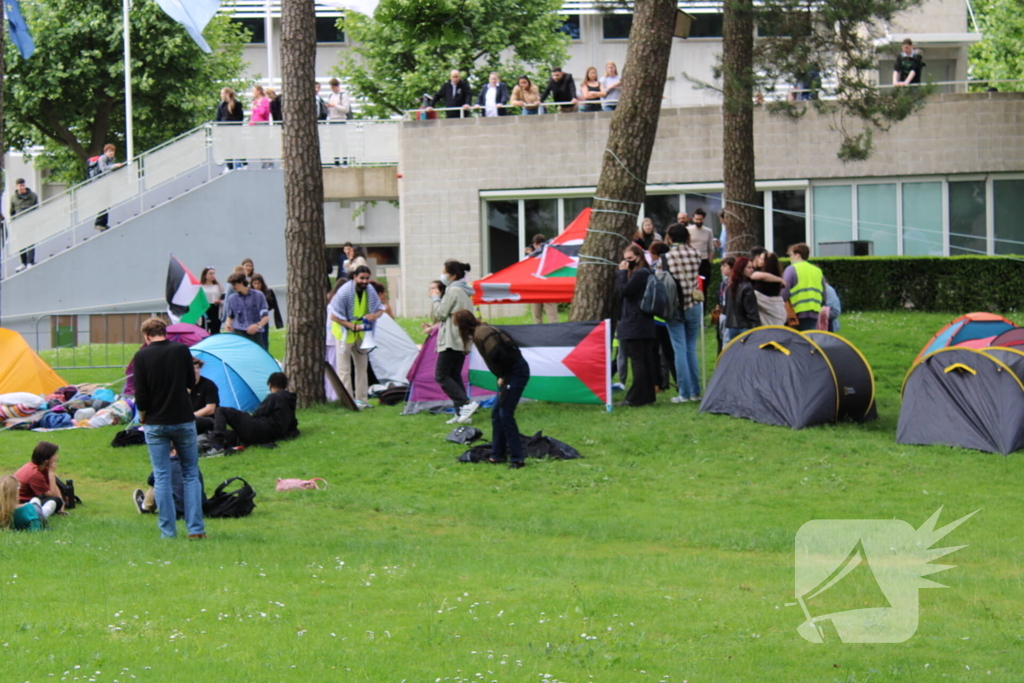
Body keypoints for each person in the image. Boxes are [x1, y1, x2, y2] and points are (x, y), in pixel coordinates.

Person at [132, 317, 206, 539]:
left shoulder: (141, 356)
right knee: (190, 474)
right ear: (166, 331)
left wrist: (143, 417)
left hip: (155, 421)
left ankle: (168, 531)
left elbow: (141, 395)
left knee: (162, 476)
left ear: (146, 336)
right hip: (183, 418)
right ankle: (196, 529)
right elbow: (191, 383)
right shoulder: (181, 350)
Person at [453, 310, 530, 469]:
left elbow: (500, 353)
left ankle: (517, 459)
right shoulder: (482, 329)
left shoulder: (482, 333)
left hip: (514, 374)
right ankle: (497, 454)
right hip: (512, 372)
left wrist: (503, 375)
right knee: (496, 414)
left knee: (505, 414)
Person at [328, 265, 385, 408]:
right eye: (362, 278)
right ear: (355, 277)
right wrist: (350, 326)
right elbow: (334, 316)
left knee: (362, 367)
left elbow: (380, 309)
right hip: (344, 333)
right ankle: (348, 402)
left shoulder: (370, 290)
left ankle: (362, 400)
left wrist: (374, 315)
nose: (365, 281)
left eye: (367, 278)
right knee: (344, 370)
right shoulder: (344, 292)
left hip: (361, 333)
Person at [431, 260, 478, 424]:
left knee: (441, 375)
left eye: (444, 272)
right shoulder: (464, 291)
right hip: (462, 339)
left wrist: (436, 299)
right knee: (454, 375)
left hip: (451, 339)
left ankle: (466, 403)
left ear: (453, 275)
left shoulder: (453, 290)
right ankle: (461, 414)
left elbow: (440, 314)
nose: (442, 275)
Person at [207, 372, 299, 452]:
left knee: (222, 410)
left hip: (261, 430)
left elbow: (257, 414)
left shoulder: (274, 397)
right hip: (270, 434)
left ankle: (216, 444)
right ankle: (215, 440)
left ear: (271, 385)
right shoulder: (290, 399)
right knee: (230, 434)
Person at [663, 223, 703, 403]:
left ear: (670, 238)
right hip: (694, 304)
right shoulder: (696, 254)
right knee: (690, 348)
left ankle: (684, 393)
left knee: (679, 349)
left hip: (675, 307)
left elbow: (659, 280)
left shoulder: (667, 258)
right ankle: (695, 391)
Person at [616, 244, 657, 407]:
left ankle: (636, 397)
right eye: (625, 259)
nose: (627, 262)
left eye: (630, 259)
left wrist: (621, 273)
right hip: (644, 321)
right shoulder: (647, 272)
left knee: (638, 361)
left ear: (639, 257)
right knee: (646, 360)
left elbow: (624, 290)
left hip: (635, 322)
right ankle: (647, 395)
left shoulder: (639, 274)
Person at [132, 449, 207, 517]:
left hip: (175, 511)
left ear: (174, 452)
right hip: (198, 510)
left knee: (157, 484)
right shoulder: (193, 466)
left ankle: (146, 506)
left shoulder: (164, 466)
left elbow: (150, 481)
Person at [647, 242, 676, 394]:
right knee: (670, 353)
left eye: (652, 254)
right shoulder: (674, 266)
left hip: (658, 318)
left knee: (656, 353)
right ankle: (678, 382)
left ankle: (658, 384)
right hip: (670, 317)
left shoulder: (655, 269)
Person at [783, 243, 827, 331]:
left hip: (796, 312)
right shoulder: (817, 271)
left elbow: (784, 291)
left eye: (791, 255)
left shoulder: (791, 269)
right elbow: (824, 294)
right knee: (809, 338)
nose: (790, 258)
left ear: (798, 255)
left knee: (796, 339)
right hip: (815, 311)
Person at [13, 441, 66, 516]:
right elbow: (52, 495)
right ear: (46, 460)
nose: (56, 457)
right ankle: (41, 514)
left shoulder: (41, 468)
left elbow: (53, 486)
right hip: (22, 502)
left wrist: (62, 504)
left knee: (58, 500)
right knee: (55, 501)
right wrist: (51, 473)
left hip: (32, 497)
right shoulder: (34, 474)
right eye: (54, 455)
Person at [224, 271, 270, 349]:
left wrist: (257, 326)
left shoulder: (259, 296)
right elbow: (230, 316)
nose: (233, 287)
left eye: (234, 284)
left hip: (255, 334)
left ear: (241, 282)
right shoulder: (232, 298)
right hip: (239, 333)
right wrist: (228, 323)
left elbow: (266, 317)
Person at [723, 257, 760, 344]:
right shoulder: (747, 287)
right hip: (745, 327)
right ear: (741, 269)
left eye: (752, 267)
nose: (752, 270)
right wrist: (756, 328)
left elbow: (727, 308)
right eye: (749, 267)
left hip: (731, 327)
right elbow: (751, 311)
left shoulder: (729, 286)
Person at [93, 144, 125, 231]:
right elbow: (104, 169)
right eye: (109, 151)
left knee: (107, 203)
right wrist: (114, 166)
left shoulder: (110, 160)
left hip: (106, 184)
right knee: (103, 203)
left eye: (112, 151)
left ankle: (103, 223)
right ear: (105, 152)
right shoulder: (103, 158)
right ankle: (99, 223)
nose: (111, 153)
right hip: (101, 184)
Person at [751, 250, 787, 326]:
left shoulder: (765, 277)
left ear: (766, 262)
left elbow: (759, 276)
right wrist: (780, 279)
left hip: (772, 309)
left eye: (761, 259)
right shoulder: (776, 277)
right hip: (775, 311)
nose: (758, 260)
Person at [9, 177, 38, 271]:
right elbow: (12, 211)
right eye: (20, 186)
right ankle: (23, 262)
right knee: (21, 243)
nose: (22, 188)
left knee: (30, 242)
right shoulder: (13, 198)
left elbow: (36, 208)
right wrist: (13, 222)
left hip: (30, 222)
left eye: (23, 185)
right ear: (16, 186)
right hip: (19, 223)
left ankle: (30, 261)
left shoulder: (32, 196)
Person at [250, 273, 283, 348]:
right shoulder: (250, 294)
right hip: (252, 320)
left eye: (258, 283)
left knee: (264, 340)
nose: (256, 286)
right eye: (254, 283)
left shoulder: (267, 292)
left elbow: (273, 304)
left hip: (263, 319)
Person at [217, 87, 245, 170]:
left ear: (227, 94)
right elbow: (218, 118)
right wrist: (219, 128)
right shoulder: (221, 105)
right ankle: (229, 166)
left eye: (222, 93)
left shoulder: (236, 104)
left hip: (235, 129)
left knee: (238, 146)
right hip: (225, 130)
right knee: (227, 148)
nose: (221, 95)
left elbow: (240, 117)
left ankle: (244, 163)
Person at [190, 357, 219, 435]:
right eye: (193, 368)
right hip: (185, 420)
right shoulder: (179, 386)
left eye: (197, 368)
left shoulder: (208, 384)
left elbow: (210, 409)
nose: (196, 371)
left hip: (206, 420)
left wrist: (189, 417)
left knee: (193, 423)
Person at [713, 256, 736, 354]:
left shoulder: (736, 284)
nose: (721, 268)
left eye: (724, 266)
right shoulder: (723, 283)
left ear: (732, 268)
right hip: (723, 315)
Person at [688, 208, 715, 286]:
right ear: (693, 219)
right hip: (691, 260)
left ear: (704, 219)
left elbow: (711, 249)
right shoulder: (688, 230)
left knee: (703, 286)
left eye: (700, 219)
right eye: (696, 219)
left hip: (704, 261)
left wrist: (709, 263)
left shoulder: (708, 231)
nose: (698, 221)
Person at [199, 267, 224, 335]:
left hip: (215, 308)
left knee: (215, 329)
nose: (213, 275)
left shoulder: (218, 286)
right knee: (204, 328)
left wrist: (220, 301)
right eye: (210, 273)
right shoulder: (200, 286)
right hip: (204, 309)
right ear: (205, 275)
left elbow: (224, 297)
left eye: (213, 273)